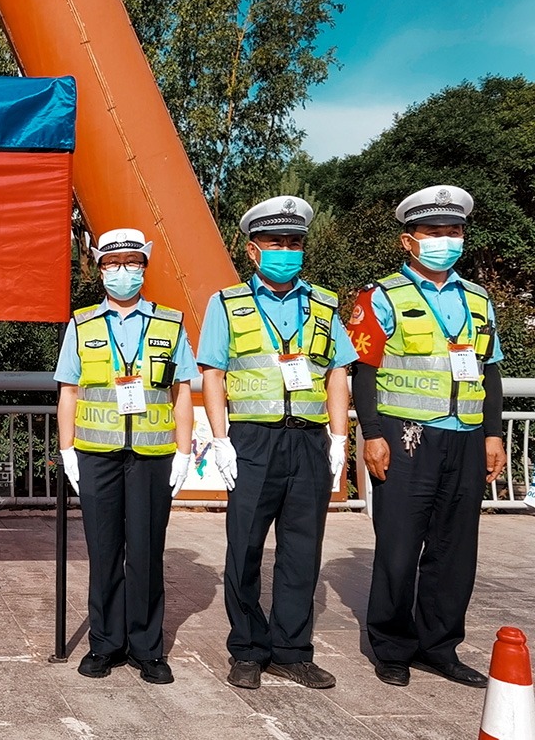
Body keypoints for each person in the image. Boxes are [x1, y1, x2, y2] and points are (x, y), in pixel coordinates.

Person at [197, 196, 357, 690]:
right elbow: (212, 375)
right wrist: (220, 439)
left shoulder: (326, 304)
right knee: (243, 547)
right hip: (252, 440)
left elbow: (337, 374)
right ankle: (246, 647)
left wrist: (339, 437)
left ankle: (292, 649)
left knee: (302, 550)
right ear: (252, 250)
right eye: (275, 242)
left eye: (294, 242)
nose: (285, 250)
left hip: (308, 443)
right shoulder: (227, 303)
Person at [348, 185, 506, 689]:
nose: (447, 241)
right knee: (398, 546)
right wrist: (371, 433)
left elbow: (491, 371)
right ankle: (392, 645)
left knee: (455, 549)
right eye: (435, 233)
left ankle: (440, 646)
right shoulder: (382, 296)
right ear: (408, 241)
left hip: (464, 437)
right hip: (406, 436)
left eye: (454, 232)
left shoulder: (479, 299)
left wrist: (492, 434)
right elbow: (364, 371)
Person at [55, 228, 199, 683]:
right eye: (113, 263)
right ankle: (105, 644)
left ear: (145, 267)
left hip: (153, 456)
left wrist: (183, 451)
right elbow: (69, 392)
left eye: (132, 262)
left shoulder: (170, 324)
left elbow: (181, 394)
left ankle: (147, 647)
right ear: (99, 269)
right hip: (96, 454)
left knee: (146, 551)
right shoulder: (82, 324)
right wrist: (67, 451)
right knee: (103, 551)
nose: (123, 271)